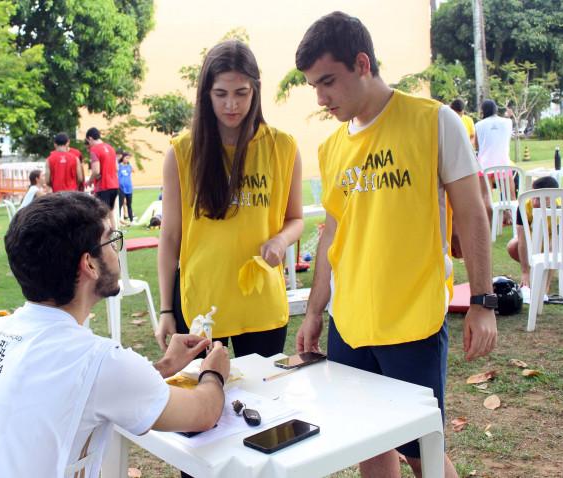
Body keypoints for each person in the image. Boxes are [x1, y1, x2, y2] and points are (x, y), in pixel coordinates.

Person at [294, 12, 496, 478]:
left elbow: (472, 212)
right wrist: (313, 312)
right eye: (313, 86)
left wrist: (483, 301)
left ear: (362, 63)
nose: (321, 98)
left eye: (328, 82)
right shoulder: (332, 148)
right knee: (369, 443)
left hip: (412, 319)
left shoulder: (434, 121)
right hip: (350, 321)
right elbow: (332, 235)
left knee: (421, 449)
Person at [0, 192, 230, 478]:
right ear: (89, 264)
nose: (116, 251)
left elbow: (77, 389)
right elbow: (203, 413)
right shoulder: (99, 361)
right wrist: (213, 372)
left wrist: (165, 367)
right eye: (112, 240)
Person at [156, 40, 303, 360]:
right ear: (206, 94)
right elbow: (170, 237)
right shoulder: (182, 152)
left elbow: (296, 219)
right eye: (220, 94)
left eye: (241, 93)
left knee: (263, 402)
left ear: (256, 91)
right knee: (201, 402)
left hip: (261, 303)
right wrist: (167, 308)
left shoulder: (283, 147)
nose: (231, 105)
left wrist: (280, 240)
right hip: (201, 304)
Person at [507, 175, 559, 301]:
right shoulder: (524, 205)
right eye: (535, 196)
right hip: (533, 242)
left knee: (553, 247)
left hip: (554, 244)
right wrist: (525, 272)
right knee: (512, 246)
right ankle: (531, 271)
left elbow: (555, 242)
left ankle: (545, 284)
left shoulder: (558, 207)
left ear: (552, 197)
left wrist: (545, 285)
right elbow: (522, 238)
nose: (536, 202)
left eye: (542, 198)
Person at [475, 99, 514, 223]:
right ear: (496, 109)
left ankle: (490, 220)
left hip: (484, 164)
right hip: (503, 163)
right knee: (510, 196)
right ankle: (510, 217)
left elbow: (477, 145)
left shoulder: (479, 125)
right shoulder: (508, 122)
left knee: (486, 196)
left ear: (483, 111)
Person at [85, 127, 119, 229]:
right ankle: (115, 239)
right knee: (111, 214)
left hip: (103, 186)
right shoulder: (111, 148)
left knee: (102, 217)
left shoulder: (94, 149)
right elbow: (116, 168)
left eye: (88, 141)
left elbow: (96, 171)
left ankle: (106, 242)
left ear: (90, 138)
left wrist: (89, 181)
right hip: (114, 186)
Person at [117, 149, 134, 224]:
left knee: (129, 205)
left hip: (129, 188)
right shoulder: (119, 166)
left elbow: (133, 171)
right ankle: (119, 220)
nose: (127, 159)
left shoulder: (129, 166)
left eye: (128, 158)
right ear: (122, 158)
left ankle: (131, 220)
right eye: (126, 158)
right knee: (120, 205)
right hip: (121, 188)